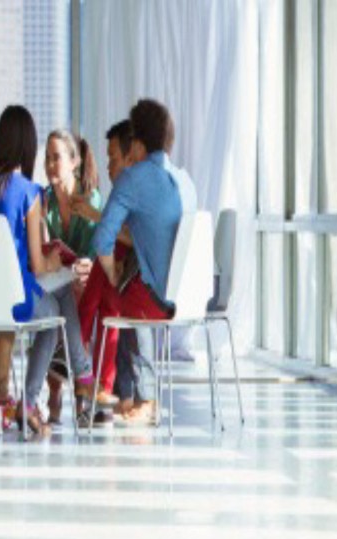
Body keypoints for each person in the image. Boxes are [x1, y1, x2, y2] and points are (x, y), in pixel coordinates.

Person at [0, 105, 96, 435]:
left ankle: (73, 379)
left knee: (56, 305)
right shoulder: (30, 192)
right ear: (29, 145)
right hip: (14, 298)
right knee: (56, 307)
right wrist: (56, 260)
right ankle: (44, 394)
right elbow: (39, 267)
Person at [90, 99, 197, 425]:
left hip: (157, 300)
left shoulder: (133, 179)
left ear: (137, 141)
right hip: (190, 296)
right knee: (122, 288)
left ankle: (135, 394)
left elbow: (101, 239)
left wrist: (110, 271)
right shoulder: (184, 179)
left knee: (112, 290)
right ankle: (126, 393)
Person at [70, 120, 136, 416]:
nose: (108, 167)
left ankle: (74, 352)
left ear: (131, 158)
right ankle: (100, 384)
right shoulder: (123, 195)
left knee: (101, 293)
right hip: (116, 277)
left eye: (113, 159)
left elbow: (135, 239)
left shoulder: (138, 195)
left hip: (136, 280)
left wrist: (95, 215)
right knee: (104, 299)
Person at [42, 128, 104, 423]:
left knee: (79, 293)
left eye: (56, 158)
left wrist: (86, 266)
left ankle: (78, 390)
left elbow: (99, 252)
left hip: (85, 281)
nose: (50, 165)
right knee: (51, 298)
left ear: (74, 162)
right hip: (56, 279)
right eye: (47, 158)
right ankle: (65, 386)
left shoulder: (91, 199)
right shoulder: (42, 202)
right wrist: (39, 220)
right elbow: (39, 252)